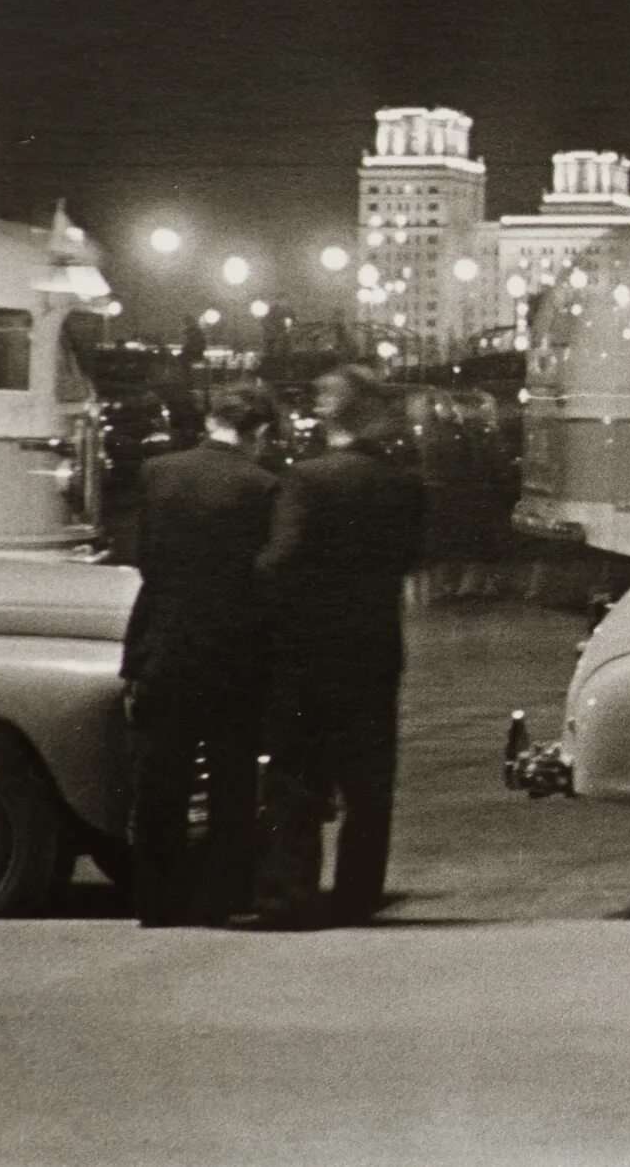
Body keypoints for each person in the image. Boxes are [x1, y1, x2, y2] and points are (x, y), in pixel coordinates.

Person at [252, 366, 427, 926]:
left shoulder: (308, 480)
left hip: (310, 653)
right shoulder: (404, 485)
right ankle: (358, 893)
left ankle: (290, 894)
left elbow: (280, 560)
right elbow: (408, 559)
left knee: (295, 779)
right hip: (374, 647)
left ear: (331, 415)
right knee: (369, 784)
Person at [118, 384, 280, 927]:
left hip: (164, 644)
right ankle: (223, 896)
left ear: (212, 421)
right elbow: (265, 576)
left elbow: (144, 559)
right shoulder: (263, 485)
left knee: (161, 780)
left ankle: (157, 902)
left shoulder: (158, 473)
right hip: (234, 654)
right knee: (232, 782)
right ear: (258, 432)